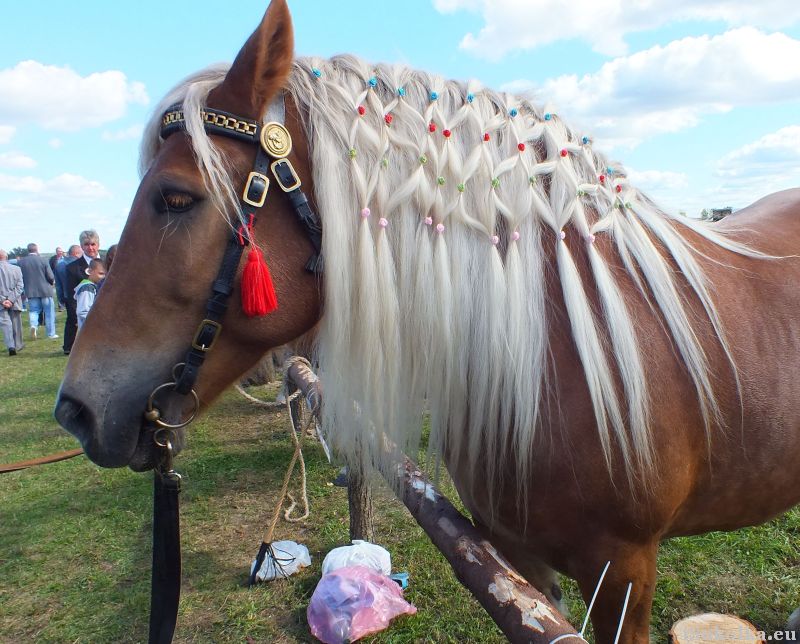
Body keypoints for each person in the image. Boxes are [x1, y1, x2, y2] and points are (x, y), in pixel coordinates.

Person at [64, 231, 101, 354]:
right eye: (86, 244)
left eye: (93, 244)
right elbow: (71, 295)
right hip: (85, 311)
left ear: (98, 245)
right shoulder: (73, 268)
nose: (90, 248)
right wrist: (75, 315)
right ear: (81, 246)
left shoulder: (109, 263)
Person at [17, 243, 58, 340]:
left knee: (34, 310)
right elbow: (50, 276)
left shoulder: (21, 262)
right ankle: (51, 333)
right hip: (45, 290)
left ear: (28, 250)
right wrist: (52, 282)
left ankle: (34, 326)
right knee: (49, 312)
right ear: (37, 249)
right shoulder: (43, 260)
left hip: (30, 290)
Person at [0, 249, 24, 356]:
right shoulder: (16, 269)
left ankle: (10, 345)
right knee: (16, 323)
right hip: (14, 301)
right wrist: (10, 299)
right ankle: (17, 344)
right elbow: (20, 286)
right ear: (6, 256)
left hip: (1, 302)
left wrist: (2, 300)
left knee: (5, 325)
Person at [75, 258, 106, 329]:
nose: (103, 277)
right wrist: (100, 321)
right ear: (90, 271)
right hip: (89, 330)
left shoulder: (94, 286)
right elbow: (83, 311)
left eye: (105, 274)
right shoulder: (87, 287)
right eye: (101, 273)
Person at [56, 245, 81, 315]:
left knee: (71, 318)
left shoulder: (59, 265)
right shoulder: (79, 264)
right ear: (76, 253)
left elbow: (58, 285)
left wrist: (61, 299)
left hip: (67, 297)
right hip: (80, 296)